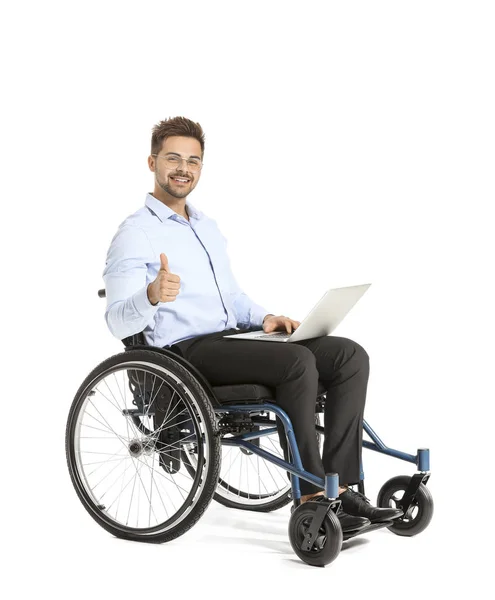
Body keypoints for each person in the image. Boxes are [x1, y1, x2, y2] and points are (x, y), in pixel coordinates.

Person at [103, 116, 403, 535]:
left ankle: (346, 486)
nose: (183, 168)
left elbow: (231, 297)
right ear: (152, 162)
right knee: (297, 362)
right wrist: (151, 294)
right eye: (173, 158)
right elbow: (117, 319)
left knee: (348, 354)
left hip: (232, 339)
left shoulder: (205, 227)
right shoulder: (135, 233)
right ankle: (313, 495)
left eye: (193, 160)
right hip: (186, 353)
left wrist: (264, 318)